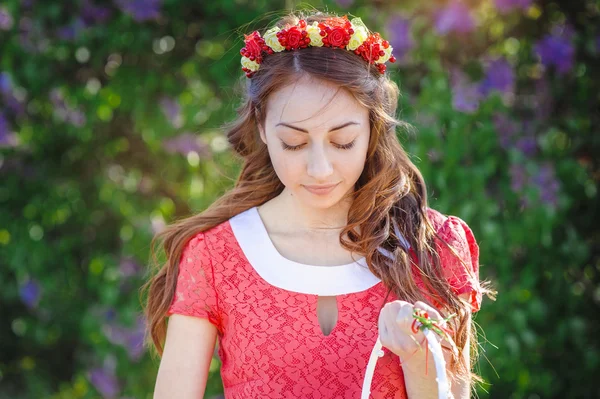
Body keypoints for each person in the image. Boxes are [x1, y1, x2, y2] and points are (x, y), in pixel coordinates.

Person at [144, 10, 495, 399]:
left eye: (342, 141)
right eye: (293, 143)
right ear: (261, 128)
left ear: (372, 128)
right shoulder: (215, 254)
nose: (320, 169)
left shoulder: (430, 245)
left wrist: (416, 355)